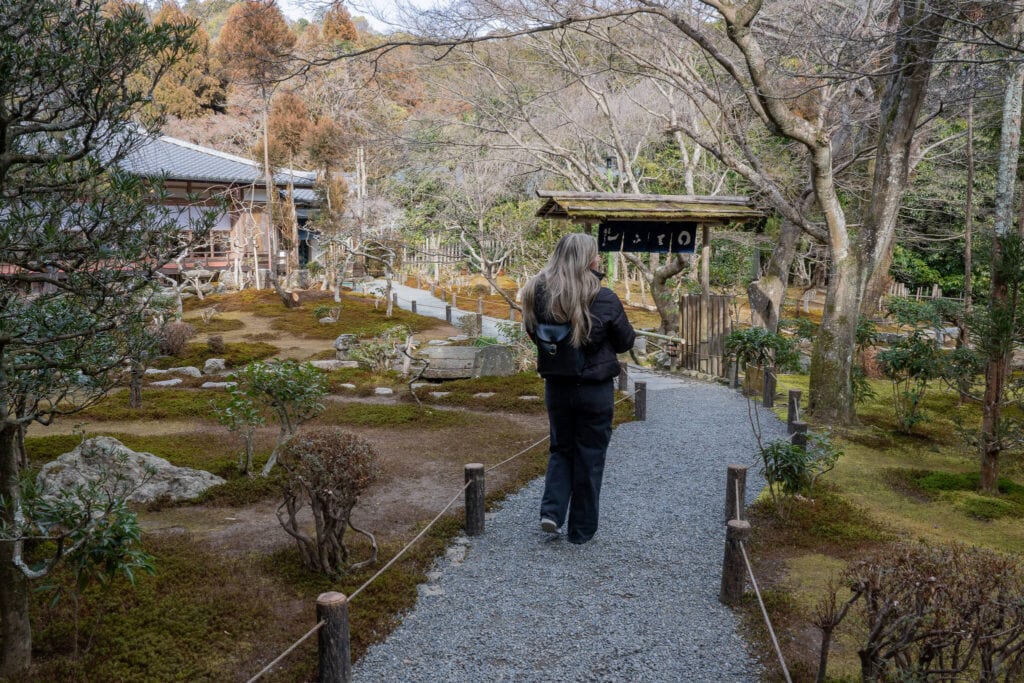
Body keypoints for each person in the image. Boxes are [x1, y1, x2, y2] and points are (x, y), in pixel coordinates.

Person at [521, 233, 635, 544]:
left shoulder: (535, 291)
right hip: (594, 389)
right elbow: (626, 341)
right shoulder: (602, 296)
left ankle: (552, 513)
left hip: (556, 385)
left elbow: (535, 333)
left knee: (561, 448)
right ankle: (581, 531)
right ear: (589, 260)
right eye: (595, 256)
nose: (599, 260)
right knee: (590, 455)